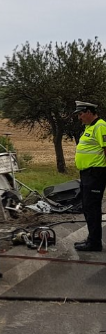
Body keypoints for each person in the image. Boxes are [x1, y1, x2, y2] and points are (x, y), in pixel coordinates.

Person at [73, 101, 106, 252]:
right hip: (88, 173)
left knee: (92, 208)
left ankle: (94, 243)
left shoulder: (100, 126)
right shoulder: (89, 127)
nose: (79, 117)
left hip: (96, 173)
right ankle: (92, 239)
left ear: (88, 112)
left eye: (80, 114)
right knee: (88, 207)